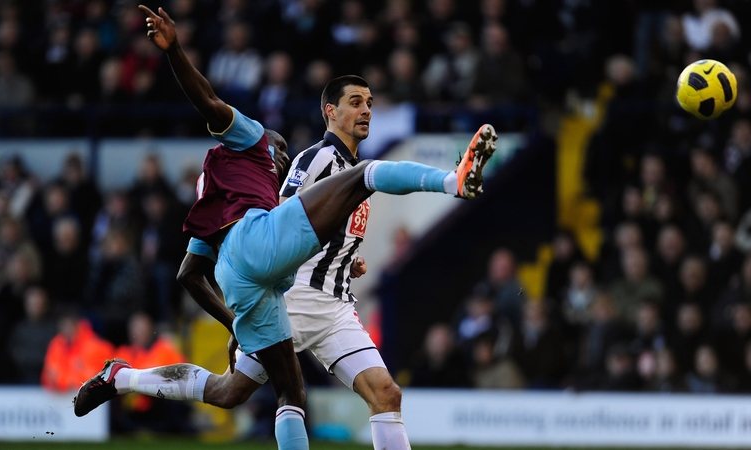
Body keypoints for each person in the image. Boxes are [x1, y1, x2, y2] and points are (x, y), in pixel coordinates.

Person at [74, 7, 497, 450]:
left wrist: (343, 259)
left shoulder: (221, 202)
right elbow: (285, 213)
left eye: (370, 103)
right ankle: (454, 179)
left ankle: (124, 377)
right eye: (356, 102)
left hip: (331, 307)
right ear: (329, 112)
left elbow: (200, 268)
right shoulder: (302, 157)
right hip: (292, 296)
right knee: (368, 174)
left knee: (370, 393)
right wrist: (176, 49)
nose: (366, 110)